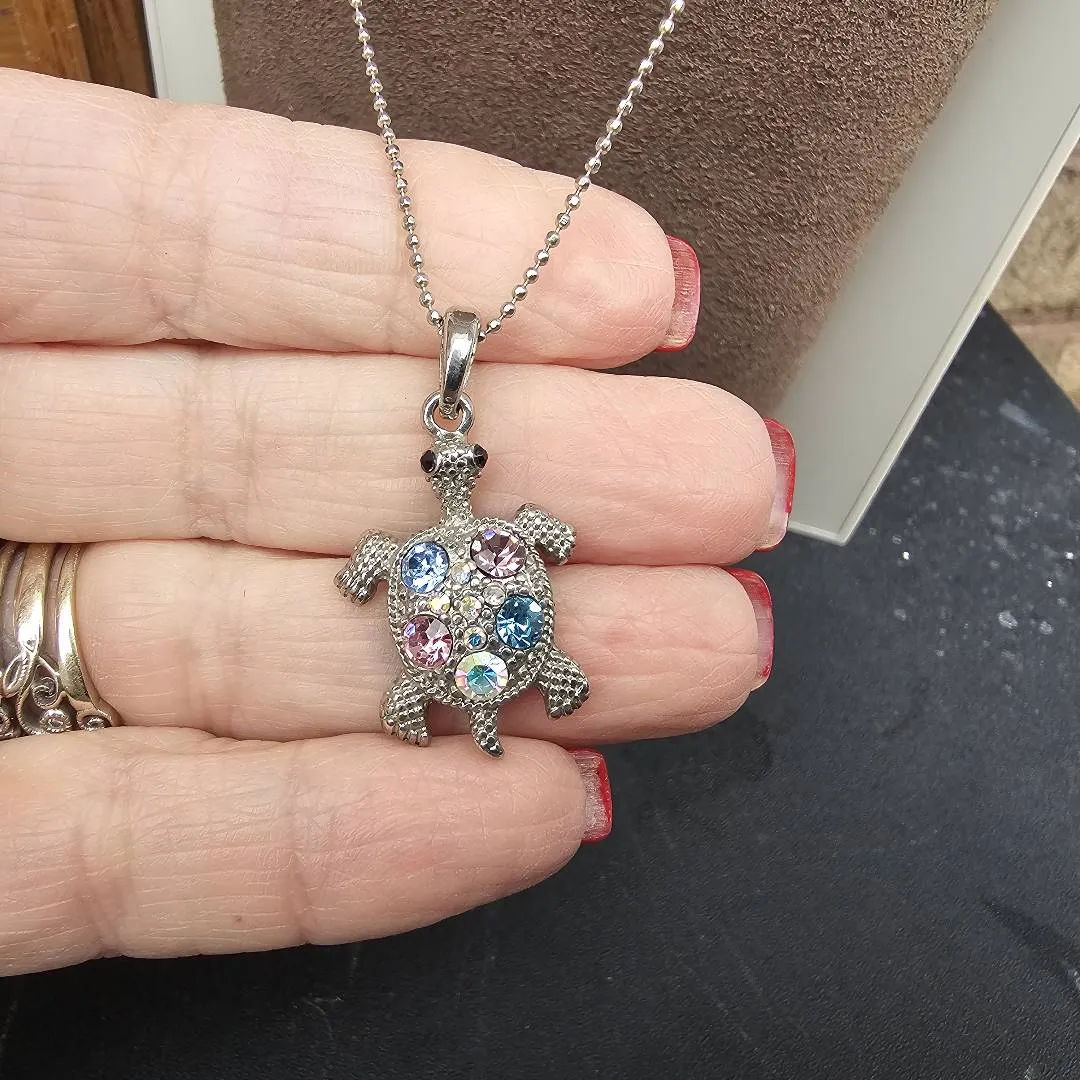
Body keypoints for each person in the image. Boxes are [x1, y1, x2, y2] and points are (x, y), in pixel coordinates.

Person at [0, 69, 792, 975]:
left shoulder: (445, 543)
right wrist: (408, 563)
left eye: (458, 461)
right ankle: (489, 692)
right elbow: (498, 544)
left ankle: (478, 692)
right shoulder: (469, 539)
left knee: (502, 668)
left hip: (463, 646)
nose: (455, 464)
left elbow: (456, 551)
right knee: (503, 667)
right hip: (486, 642)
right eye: (448, 460)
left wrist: (393, 567)